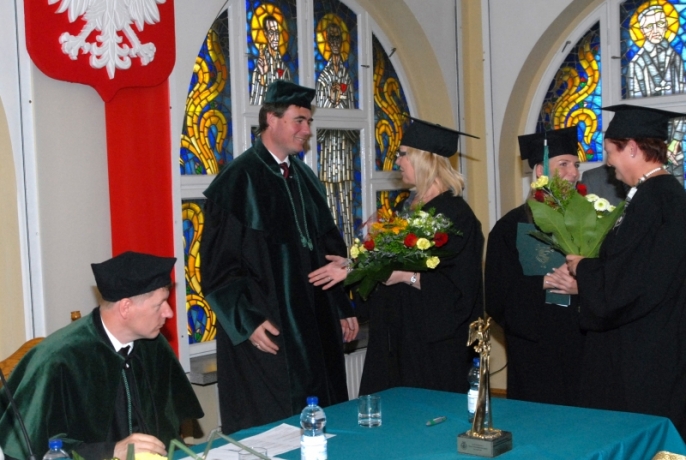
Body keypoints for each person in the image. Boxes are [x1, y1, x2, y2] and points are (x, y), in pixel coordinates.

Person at [200, 80, 359, 434]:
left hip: (315, 325)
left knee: (325, 421)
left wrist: (340, 305)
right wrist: (247, 321)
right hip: (268, 327)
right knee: (273, 430)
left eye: (309, 122)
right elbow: (218, 267)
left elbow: (330, 250)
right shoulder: (237, 181)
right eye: (299, 121)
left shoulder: (305, 177)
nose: (307, 130)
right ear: (271, 119)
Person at [550, 104, 686, 437]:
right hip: (663, 337)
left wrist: (583, 268)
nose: (608, 163)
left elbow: (629, 282)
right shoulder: (666, 195)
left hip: (645, 349)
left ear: (633, 148)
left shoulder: (652, 201)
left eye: (611, 152)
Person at [0, 251, 203, 460]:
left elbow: (170, 426)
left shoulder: (154, 345)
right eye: (159, 305)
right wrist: (110, 450)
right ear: (125, 308)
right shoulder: (59, 359)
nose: (169, 313)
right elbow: (35, 448)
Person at [352, 117, 483, 394]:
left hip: (433, 346)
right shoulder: (406, 208)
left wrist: (406, 276)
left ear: (425, 159)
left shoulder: (456, 215)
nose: (397, 162)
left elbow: (460, 286)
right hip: (395, 336)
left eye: (403, 154)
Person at [485, 126, 585, 406]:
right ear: (540, 171)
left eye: (576, 165)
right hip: (535, 344)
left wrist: (583, 282)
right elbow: (496, 293)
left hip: (582, 339)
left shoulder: (589, 221)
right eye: (563, 164)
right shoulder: (510, 227)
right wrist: (547, 281)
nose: (573, 172)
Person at [627, 4, 685, 175]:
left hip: (675, 142)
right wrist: (653, 145)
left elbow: (682, 102)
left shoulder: (675, 57)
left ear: (666, 26)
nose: (655, 30)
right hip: (649, 145)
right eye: (650, 26)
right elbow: (636, 112)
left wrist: (676, 140)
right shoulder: (636, 63)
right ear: (642, 31)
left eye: (660, 24)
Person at [315, 20, 358, 247]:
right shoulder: (323, 77)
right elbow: (318, 120)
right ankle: (334, 247)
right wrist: (330, 102)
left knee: (346, 200)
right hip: (329, 148)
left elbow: (354, 114)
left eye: (337, 39)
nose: (334, 44)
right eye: (331, 39)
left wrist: (340, 103)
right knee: (330, 203)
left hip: (345, 150)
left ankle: (350, 247)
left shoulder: (346, 76)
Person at [249, 16, 291, 106]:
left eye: (277, 32)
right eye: (271, 32)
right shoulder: (258, 70)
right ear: (266, 34)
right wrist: (262, 75)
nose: (275, 37)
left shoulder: (284, 69)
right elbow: (256, 104)